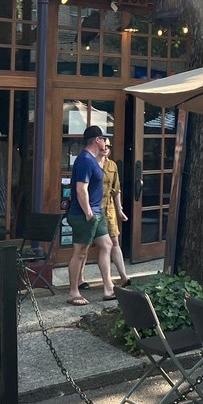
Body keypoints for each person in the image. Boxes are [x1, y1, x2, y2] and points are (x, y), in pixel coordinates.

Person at [67, 126, 114, 306]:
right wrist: (88, 213)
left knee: (107, 244)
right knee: (80, 252)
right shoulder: (85, 160)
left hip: (96, 212)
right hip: (84, 214)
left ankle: (108, 287)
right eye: (104, 139)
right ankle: (73, 292)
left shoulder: (93, 159)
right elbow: (81, 189)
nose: (105, 143)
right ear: (97, 140)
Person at [78, 137, 130, 289]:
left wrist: (119, 209)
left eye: (109, 146)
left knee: (113, 242)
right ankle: (81, 278)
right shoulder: (90, 163)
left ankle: (124, 276)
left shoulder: (112, 165)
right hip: (94, 208)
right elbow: (83, 188)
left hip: (109, 209)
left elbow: (117, 189)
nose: (106, 148)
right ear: (98, 145)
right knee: (86, 245)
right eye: (104, 145)